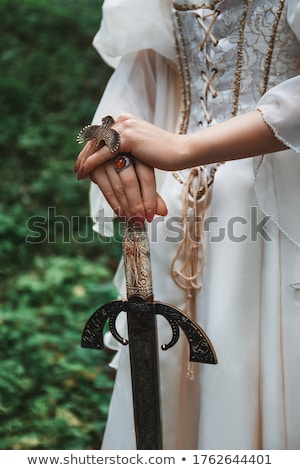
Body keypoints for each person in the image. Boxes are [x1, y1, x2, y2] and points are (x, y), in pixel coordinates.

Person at [75, 0, 300, 450]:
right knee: (163, 391)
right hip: (165, 213)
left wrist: (185, 148)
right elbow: (133, 88)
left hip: (270, 212)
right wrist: (113, 148)